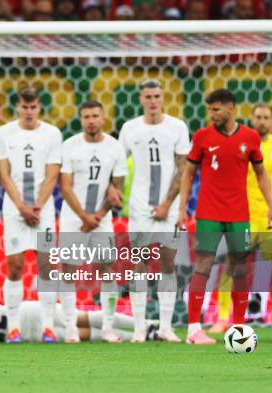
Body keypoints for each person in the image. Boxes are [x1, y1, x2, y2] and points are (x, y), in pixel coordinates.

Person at [178, 89, 272, 345]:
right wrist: (181, 209)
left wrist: (271, 207)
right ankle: (193, 330)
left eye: (216, 109)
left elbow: (261, 174)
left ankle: (239, 327)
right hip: (209, 213)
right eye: (209, 109)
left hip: (238, 214)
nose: (212, 114)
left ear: (230, 108)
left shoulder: (250, 138)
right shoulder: (201, 137)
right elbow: (188, 174)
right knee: (204, 265)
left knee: (240, 268)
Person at [119, 80, 189, 343]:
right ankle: (139, 328)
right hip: (139, 207)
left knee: (168, 263)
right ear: (141, 98)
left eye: (157, 96)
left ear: (163, 97)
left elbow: (183, 167)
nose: (152, 101)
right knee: (139, 263)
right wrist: (115, 191)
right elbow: (118, 163)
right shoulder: (130, 128)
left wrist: (168, 204)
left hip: (168, 208)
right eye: (147, 96)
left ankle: (165, 327)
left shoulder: (177, 127)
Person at [210, 103, 272, 332]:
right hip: (242, 217)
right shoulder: (241, 144)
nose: (262, 121)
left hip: (270, 218)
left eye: (266, 117)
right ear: (251, 119)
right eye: (258, 117)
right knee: (232, 266)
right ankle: (223, 318)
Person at [0, 87, 62, 343]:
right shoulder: (4, 133)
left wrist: (38, 206)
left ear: (39, 108)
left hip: (42, 211)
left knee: (46, 266)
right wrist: (22, 206)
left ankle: (48, 327)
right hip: (14, 210)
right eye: (25, 107)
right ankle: (13, 328)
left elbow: (52, 172)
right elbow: (4, 173)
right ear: (18, 108)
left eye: (33, 107)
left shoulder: (52, 133)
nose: (29, 112)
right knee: (15, 266)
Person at [60, 100, 127, 343]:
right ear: (81, 119)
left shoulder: (114, 147)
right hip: (72, 219)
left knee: (107, 269)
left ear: (103, 118)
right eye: (86, 116)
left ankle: (108, 327)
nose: (91, 120)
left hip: (102, 220)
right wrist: (84, 217)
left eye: (95, 115)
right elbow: (65, 187)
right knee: (68, 270)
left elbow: (118, 187)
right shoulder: (69, 146)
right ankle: (70, 328)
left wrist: (98, 215)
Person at [0, 292, 159, 343]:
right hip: (27, 312)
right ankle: (144, 325)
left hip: (25, 335)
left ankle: (147, 334)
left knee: (84, 333)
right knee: (86, 318)